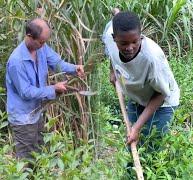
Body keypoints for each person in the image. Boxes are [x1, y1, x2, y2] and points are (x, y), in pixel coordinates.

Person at [6, 18, 85, 159]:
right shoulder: (16, 62)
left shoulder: (41, 48)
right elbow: (26, 92)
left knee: (39, 154)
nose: (43, 45)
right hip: (23, 118)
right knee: (26, 161)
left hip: (37, 113)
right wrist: (53, 89)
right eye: (41, 42)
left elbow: (57, 63)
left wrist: (75, 69)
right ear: (29, 36)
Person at [102, 9, 180, 145]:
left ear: (141, 36)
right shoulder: (110, 36)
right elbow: (111, 52)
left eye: (134, 41)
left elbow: (161, 94)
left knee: (151, 147)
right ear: (114, 38)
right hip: (137, 97)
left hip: (162, 103)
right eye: (123, 43)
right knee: (131, 143)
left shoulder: (151, 58)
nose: (130, 47)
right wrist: (112, 71)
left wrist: (137, 127)